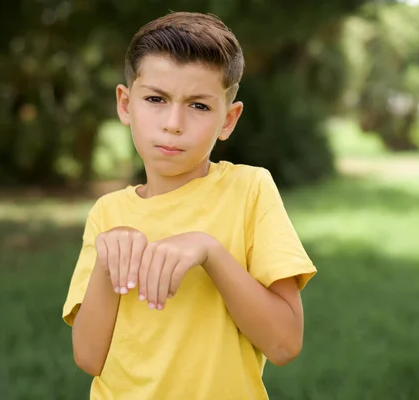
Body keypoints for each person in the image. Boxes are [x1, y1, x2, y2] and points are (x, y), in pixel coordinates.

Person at [62, 11, 317, 400]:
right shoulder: (107, 214)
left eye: (198, 106)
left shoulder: (249, 190)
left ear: (228, 120)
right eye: (155, 99)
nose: (173, 123)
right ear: (126, 104)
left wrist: (210, 251)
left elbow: (284, 345)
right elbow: (89, 357)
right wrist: (107, 262)